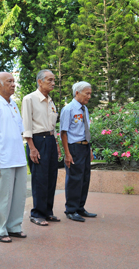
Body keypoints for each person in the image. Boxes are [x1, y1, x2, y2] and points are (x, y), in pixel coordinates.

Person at [0, 72, 28, 243]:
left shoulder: (13, 105)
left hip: (18, 158)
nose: (13, 84)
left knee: (19, 196)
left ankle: (14, 227)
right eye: (9, 81)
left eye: (14, 81)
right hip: (2, 159)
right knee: (2, 197)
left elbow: (19, 131)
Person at [22, 69, 62, 226]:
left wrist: (57, 144)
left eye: (54, 80)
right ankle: (37, 213)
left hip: (50, 140)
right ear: (40, 81)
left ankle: (48, 211)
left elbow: (53, 126)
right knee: (40, 179)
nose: (53, 83)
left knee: (51, 178)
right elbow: (26, 125)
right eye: (49, 80)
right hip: (37, 141)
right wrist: (31, 147)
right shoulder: (29, 99)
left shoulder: (50, 101)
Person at [60, 81, 97, 222]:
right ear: (77, 93)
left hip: (85, 147)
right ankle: (71, 210)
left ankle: (80, 207)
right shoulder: (68, 109)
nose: (89, 96)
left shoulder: (84, 109)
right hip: (74, 147)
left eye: (90, 94)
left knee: (84, 179)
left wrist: (90, 149)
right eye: (87, 93)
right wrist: (67, 154)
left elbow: (85, 130)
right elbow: (63, 133)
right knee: (74, 179)